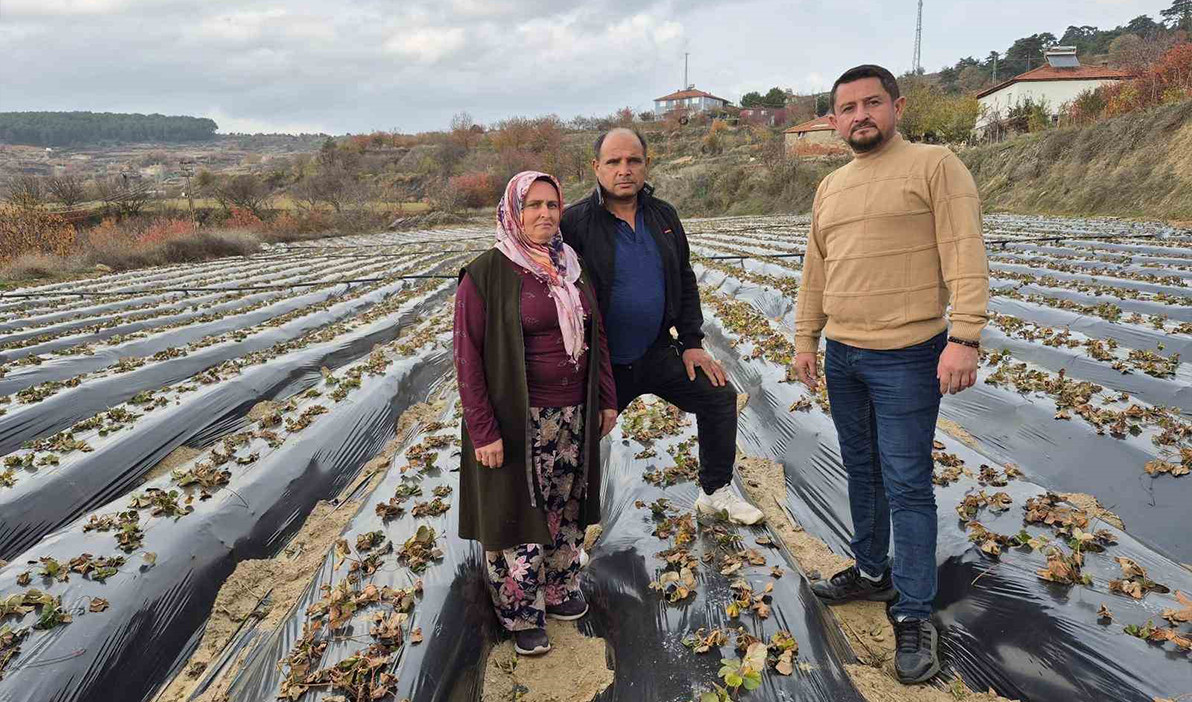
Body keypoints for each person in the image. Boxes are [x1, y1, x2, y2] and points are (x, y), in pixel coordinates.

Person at [792, 65, 990, 684]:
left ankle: (912, 610)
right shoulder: (831, 187)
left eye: (871, 103)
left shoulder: (935, 166)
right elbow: (816, 270)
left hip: (908, 353)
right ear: (834, 121)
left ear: (896, 107)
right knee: (863, 470)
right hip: (845, 354)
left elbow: (965, 251)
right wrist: (806, 338)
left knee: (906, 482)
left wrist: (965, 337)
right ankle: (872, 571)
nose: (860, 116)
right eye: (847, 108)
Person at [560, 128, 763, 525]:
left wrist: (691, 342)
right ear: (596, 167)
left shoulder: (663, 216)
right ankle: (572, 525)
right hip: (603, 362)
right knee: (579, 435)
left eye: (633, 161)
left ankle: (714, 491)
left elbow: (684, 278)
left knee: (718, 396)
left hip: (655, 350)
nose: (624, 169)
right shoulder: (575, 223)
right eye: (614, 162)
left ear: (646, 164)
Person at [453, 171, 618, 656]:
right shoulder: (486, 273)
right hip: (517, 419)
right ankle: (521, 611)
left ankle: (560, 588)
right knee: (516, 512)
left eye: (552, 204)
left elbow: (597, 336)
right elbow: (467, 358)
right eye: (533, 205)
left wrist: (606, 397)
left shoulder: (571, 267)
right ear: (513, 211)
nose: (545, 214)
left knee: (566, 504)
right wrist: (483, 430)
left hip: (573, 413)